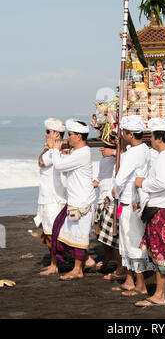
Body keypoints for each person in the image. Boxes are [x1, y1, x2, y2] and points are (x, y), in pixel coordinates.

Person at [135, 118, 165, 307]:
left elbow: (162, 182)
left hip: (163, 208)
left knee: (162, 252)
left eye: (153, 136)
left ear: (159, 138)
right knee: (161, 251)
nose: (151, 139)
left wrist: (142, 183)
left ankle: (159, 295)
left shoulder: (164, 156)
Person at [113, 115, 156, 296]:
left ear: (130, 134)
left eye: (124, 133)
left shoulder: (132, 154)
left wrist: (115, 190)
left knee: (132, 242)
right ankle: (131, 281)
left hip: (129, 201)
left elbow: (121, 178)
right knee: (130, 241)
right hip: (138, 201)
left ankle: (140, 285)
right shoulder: (146, 149)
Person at [50, 119, 96, 280]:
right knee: (64, 233)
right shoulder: (78, 153)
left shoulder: (83, 153)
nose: (67, 137)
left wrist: (55, 150)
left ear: (78, 136)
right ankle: (85, 263)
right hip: (76, 199)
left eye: (70, 134)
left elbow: (59, 166)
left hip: (82, 201)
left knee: (78, 236)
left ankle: (78, 270)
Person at [35, 118, 67, 275]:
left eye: (48, 132)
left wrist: (46, 149)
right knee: (51, 234)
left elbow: (41, 162)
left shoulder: (53, 151)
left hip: (52, 198)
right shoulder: (58, 150)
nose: (46, 135)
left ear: (55, 134)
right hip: (52, 196)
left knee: (52, 234)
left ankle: (55, 264)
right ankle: (55, 263)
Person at [94, 146, 126, 280]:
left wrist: (114, 152)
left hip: (112, 199)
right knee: (100, 231)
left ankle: (119, 267)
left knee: (114, 237)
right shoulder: (107, 156)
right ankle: (110, 259)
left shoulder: (123, 153)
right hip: (103, 196)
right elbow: (103, 174)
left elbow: (122, 171)